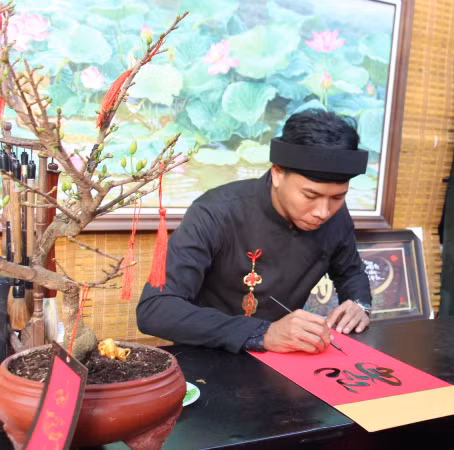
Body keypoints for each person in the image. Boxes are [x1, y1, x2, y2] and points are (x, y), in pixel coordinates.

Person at [137, 109, 373, 354]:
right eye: (310, 195)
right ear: (278, 173)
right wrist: (262, 333)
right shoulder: (216, 212)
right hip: (208, 358)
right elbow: (155, 309)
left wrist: (358, 304)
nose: (323, 212)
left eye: (337, 197)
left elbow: (351, 271)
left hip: (287, 362)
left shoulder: (336, 217)